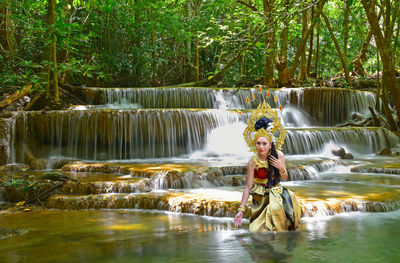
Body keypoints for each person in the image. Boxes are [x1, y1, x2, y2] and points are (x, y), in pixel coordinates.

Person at [234, 101, 301, 232]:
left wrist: (280, 167)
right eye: (258, 143)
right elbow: (248, 187)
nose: (261, 147)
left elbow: (285, 177)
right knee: (257, 230)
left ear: (270, 144)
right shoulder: (252, 162)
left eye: (264, 143)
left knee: (277, 212)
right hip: (259, 197)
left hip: (276, 193)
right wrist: (241, 209)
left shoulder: (278, 155)